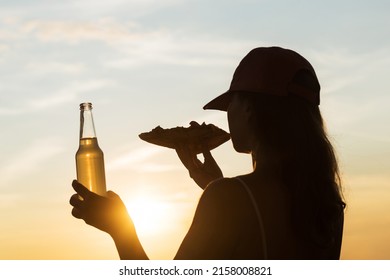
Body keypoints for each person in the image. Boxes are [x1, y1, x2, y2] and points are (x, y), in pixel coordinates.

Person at [70, 46, 346, 259]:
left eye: (230, 105)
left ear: (248, 109)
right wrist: (213, 185)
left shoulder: (228, 198)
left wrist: (121, 229)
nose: (227, 115)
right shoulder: (326, 201)